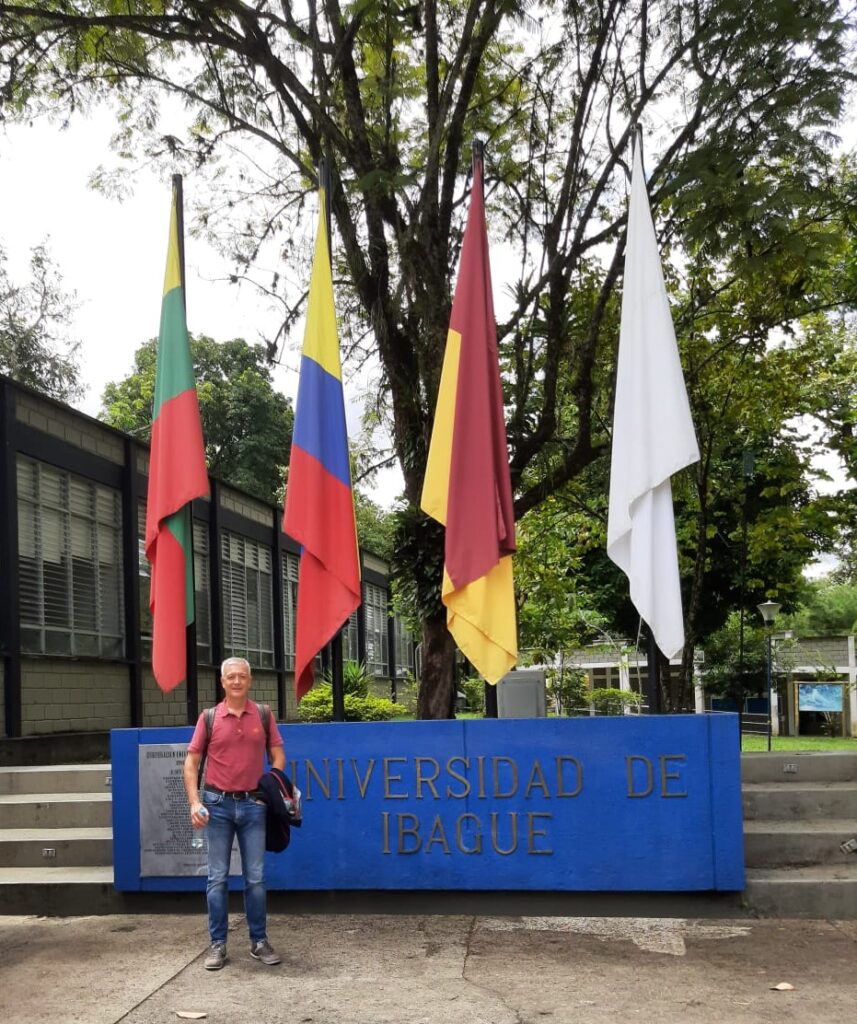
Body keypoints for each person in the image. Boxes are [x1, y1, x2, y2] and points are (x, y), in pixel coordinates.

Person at [183, 656, 285, 971]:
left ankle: (258, 941)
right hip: (217, 806)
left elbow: (278, 756)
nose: (237, 681)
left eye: (242, 676)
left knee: (255, 879)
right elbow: (191, 763)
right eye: (231, 677)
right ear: (223, 682)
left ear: (250, 680)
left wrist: (271, 783)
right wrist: (194, 802)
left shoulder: (264, 715)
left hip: (254, 806)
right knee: (217, 879)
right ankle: (217, 945)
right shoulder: (210, 717)